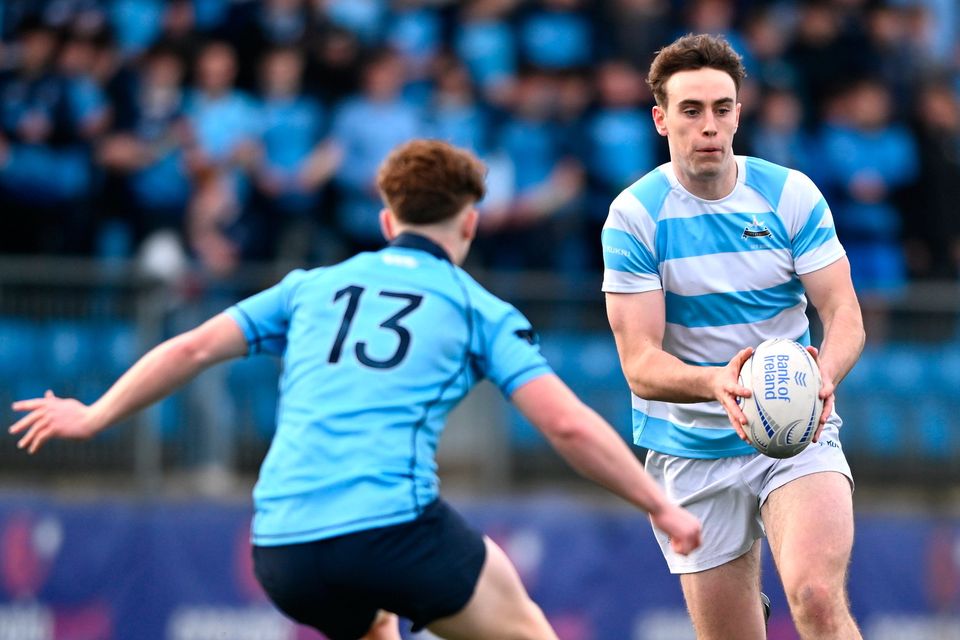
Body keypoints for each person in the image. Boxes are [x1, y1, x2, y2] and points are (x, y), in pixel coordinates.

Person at [10, 139, 701, 640]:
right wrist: (660, 507)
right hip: (389, 530)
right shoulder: (474, 307)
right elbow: (568, 425)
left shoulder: (310, 286)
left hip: (281, 547)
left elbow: (190, 347)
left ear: (386, 221)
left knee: (374, 627)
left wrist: (95, 412)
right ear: (469, 223)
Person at [601, 34, 865, 639]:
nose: (709, 126)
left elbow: (844, 312)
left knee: (817, 595)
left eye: (722, 108)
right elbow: (639, 362)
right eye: (691, 111)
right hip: (689, 449)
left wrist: (823, 374)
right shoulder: (635, 215)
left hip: (798, 426)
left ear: (739, 113)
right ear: (661, 118)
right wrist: (718, 383)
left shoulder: (790, 194)